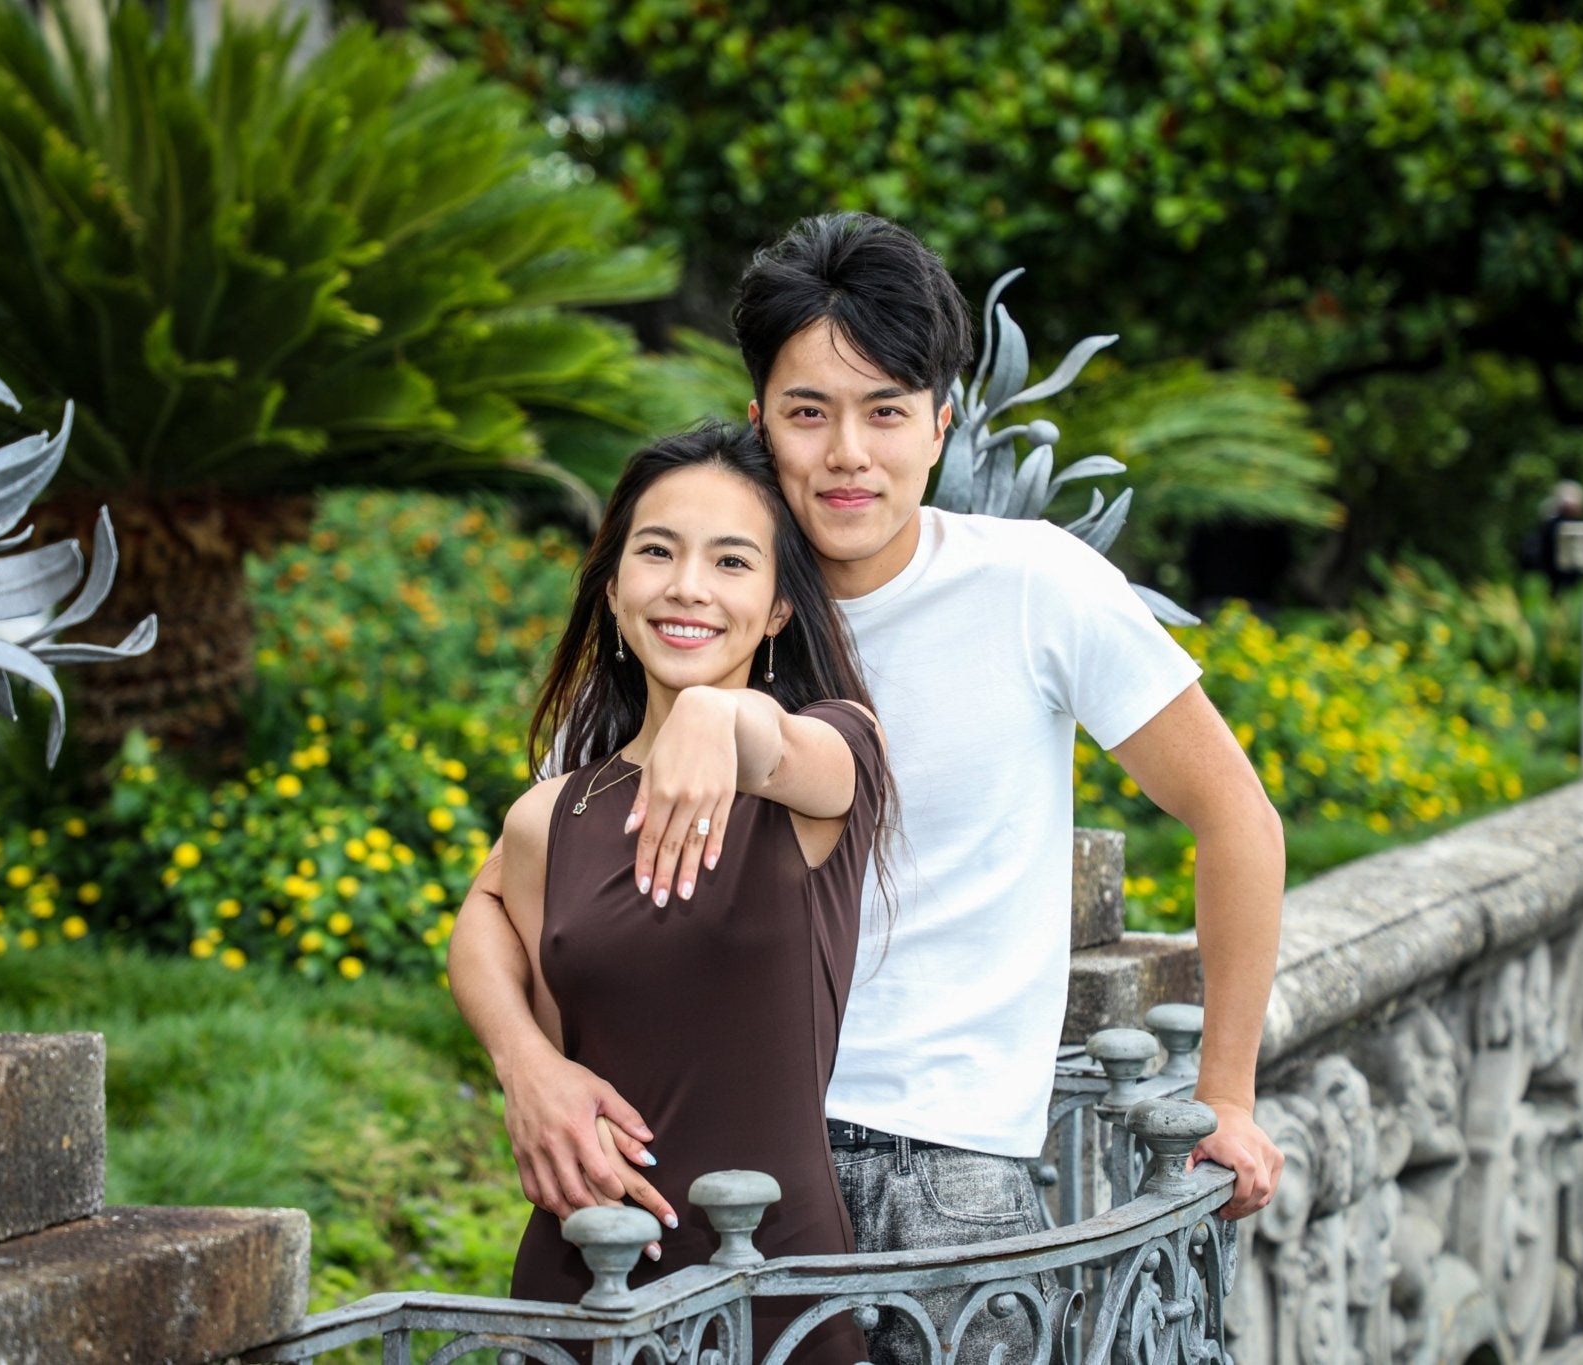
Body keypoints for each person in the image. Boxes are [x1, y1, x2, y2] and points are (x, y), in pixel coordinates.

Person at [453, 214, 1285, 1365]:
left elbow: (1234, 817)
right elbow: (501, 898)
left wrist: (1226, 1094)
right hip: (701, 1177)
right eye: (807, 412)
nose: (847, 452)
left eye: (886, 410)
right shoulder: (703, 614)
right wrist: (527, 1070)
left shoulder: (1031, 586)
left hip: (935, 1175)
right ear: (759, 422)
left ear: (940, 423)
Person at [497, 423, 886, 1365]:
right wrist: (527, 1067)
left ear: (781, 607)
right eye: (657, 551)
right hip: (584, 1275)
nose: (687, 587)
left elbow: (784, 749)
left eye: (732, 561)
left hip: (774, 1287)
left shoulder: (829, 756)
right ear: (616, 587)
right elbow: (486, 928)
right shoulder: (553, 813)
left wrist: (720, 713)